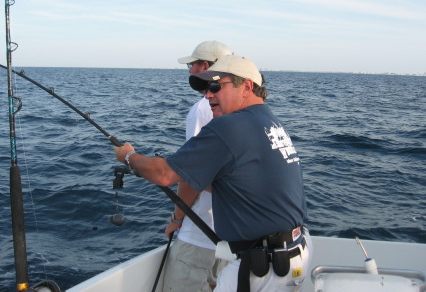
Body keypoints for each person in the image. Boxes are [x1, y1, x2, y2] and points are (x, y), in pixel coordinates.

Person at [115, 55, 312, 292]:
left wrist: (128, 156)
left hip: (262, 267)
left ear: (246, 86)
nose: (208, 95)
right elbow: (246, 180)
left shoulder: (229, 126)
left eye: (216, 86)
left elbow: (164, 175)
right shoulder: (270, 122)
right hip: (293, 254)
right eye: (207, 88)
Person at [162, 40, 232, 292]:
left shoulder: (203, 108)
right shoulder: (242, 109)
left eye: (192, 64)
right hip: (233, 234)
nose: (189, 70)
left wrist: (176, 219)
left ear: (205, 67)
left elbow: (192, 174)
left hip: (201, 235)